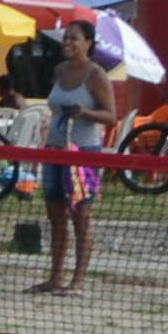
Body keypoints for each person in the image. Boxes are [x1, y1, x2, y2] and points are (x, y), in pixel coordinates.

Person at [31, 16, 107, 296]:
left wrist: (85, 112)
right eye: (65, 38)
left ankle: (78, 280)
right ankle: (55, 277)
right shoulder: (60, 70)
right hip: (54, 149)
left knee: (81, 214)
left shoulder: (96, 75)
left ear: (88, 43)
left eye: (74, 38)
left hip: (83, 151)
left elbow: (110, 115)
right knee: (55, 213)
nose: (68, 43)